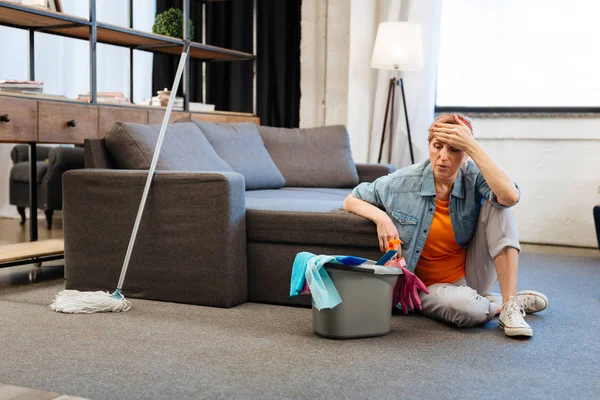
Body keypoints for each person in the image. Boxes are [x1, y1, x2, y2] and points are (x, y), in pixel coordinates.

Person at [343, 114, 548, 337]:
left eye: (454, 149)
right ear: (429, 145)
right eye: (437, 146)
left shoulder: (473, 177)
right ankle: (504, 303)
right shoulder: (402, 183)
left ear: (466, 154)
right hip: (428, 287)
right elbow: (351, 199)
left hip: (472, 273)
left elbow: (509, 196)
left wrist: (471, 145)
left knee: (499, 203)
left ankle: (508, 306)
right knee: (470, 310)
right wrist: (382, 219)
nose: (443, 157)